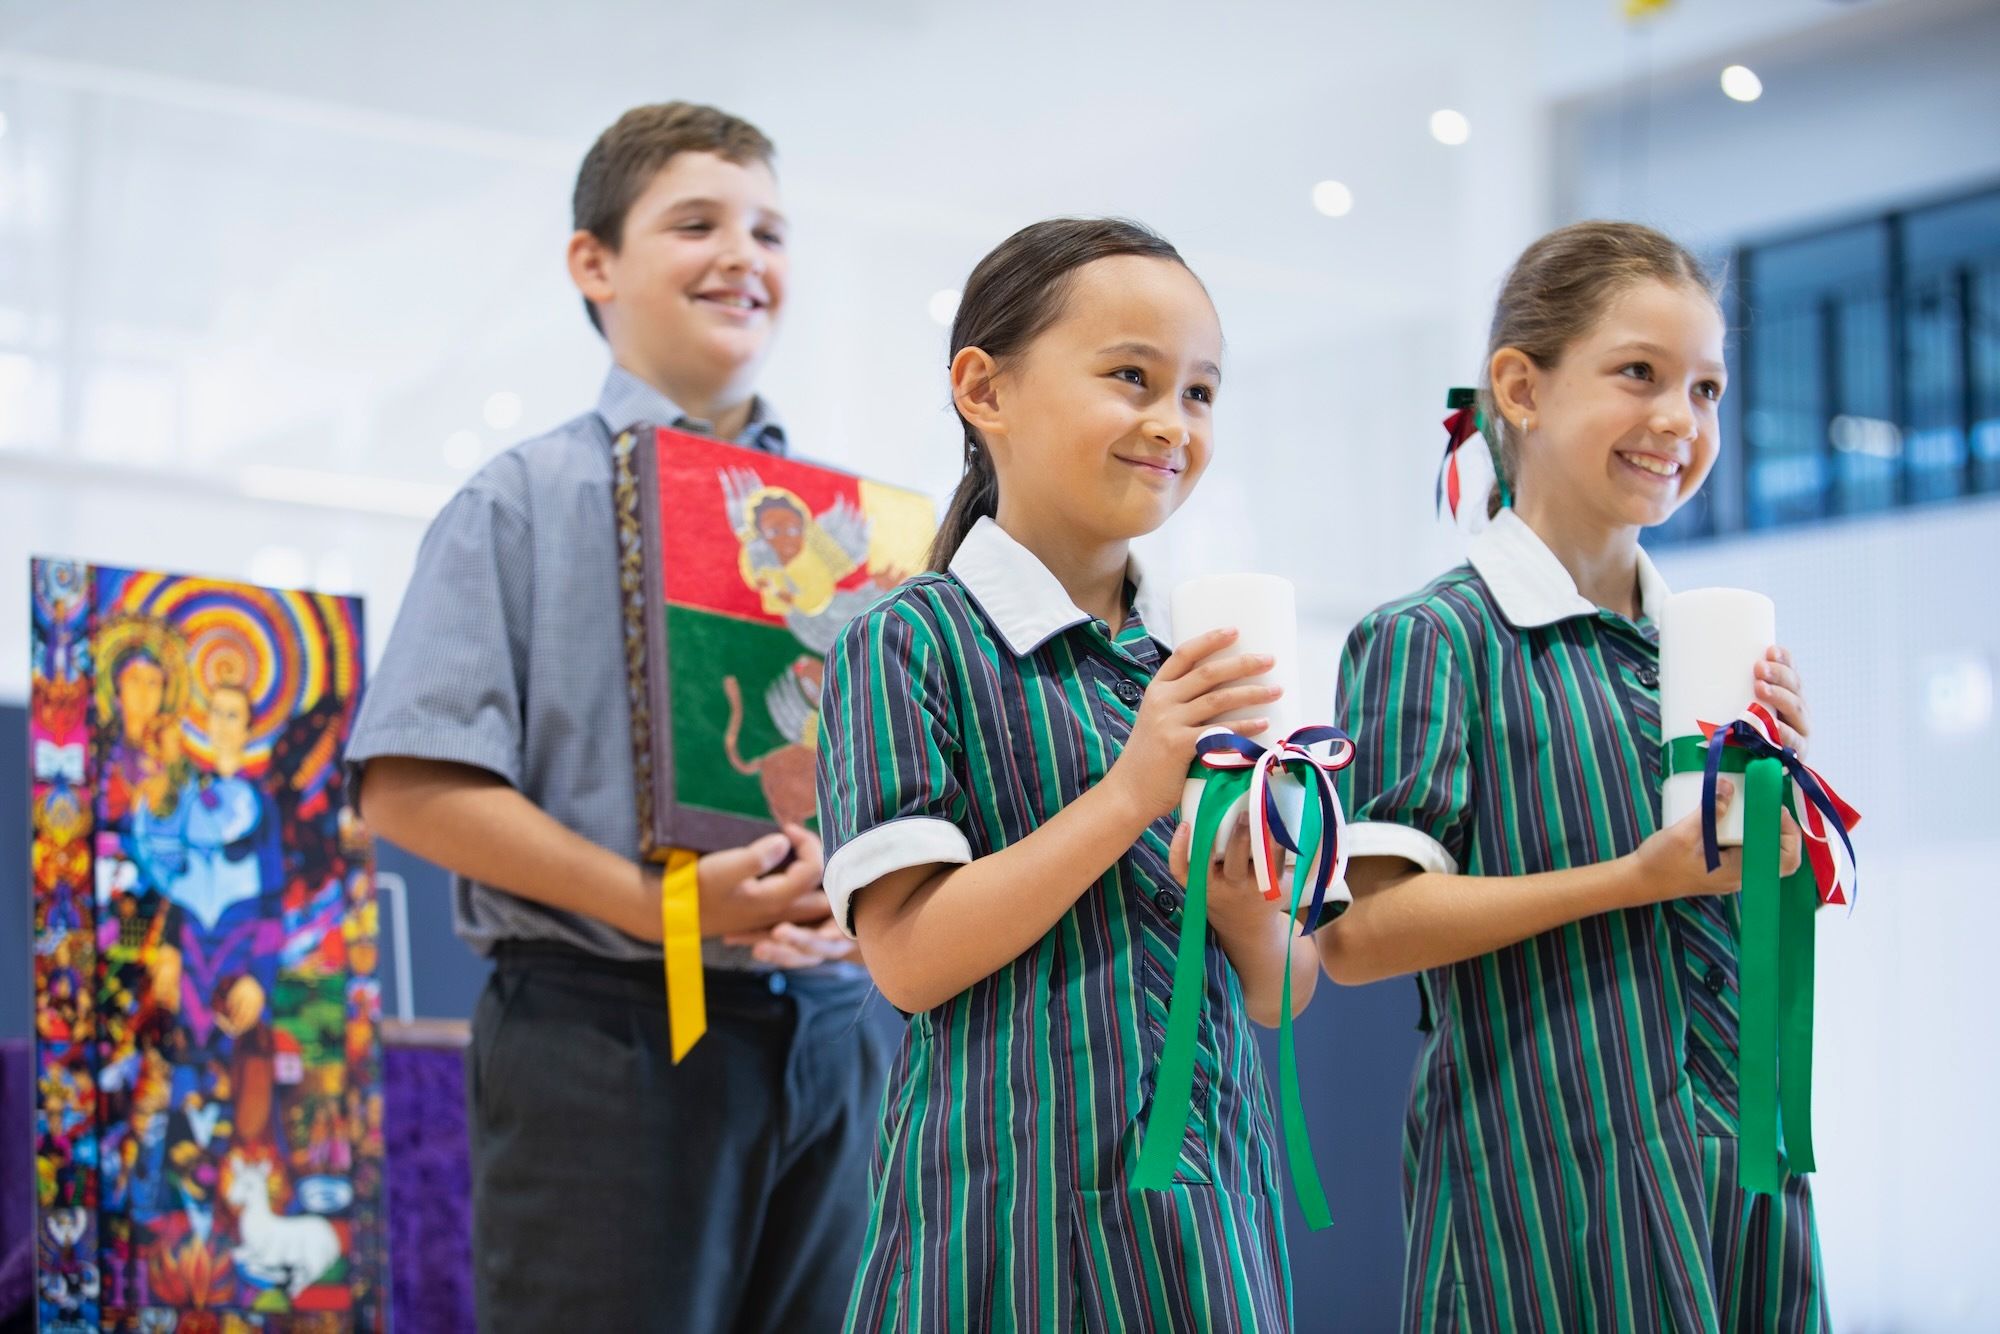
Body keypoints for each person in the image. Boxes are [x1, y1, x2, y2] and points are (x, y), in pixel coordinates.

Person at [348, 101, 891, 1333]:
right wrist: (656, 903)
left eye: (768, 229)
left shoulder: (853, 536)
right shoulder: (519, 501)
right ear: (594, 263)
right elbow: (407, 784)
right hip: (608, 1035)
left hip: (834, 1026)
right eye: (694, 222)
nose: (742, 255)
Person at [1317, 221, 1824, 1332]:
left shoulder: (1699, 652)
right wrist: (1630, 877)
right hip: (1541, 1204)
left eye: (1705, 388)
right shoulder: (1434, 637)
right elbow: (1357, 936)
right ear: (1519, 386)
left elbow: (1724, 913)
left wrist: (1778, 825)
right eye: (1637, 372)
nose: (1676, 420)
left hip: (1739, 1177)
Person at [817, 217, 1319, 1331]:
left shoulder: (1190, 665)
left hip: (1209, 1220)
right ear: (982, 389)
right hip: (1004, 1232)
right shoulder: (910, 641)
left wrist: (1242, 909)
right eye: (1130, 376)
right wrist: (1131, 792)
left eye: (1199, 393)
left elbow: (1284, 985)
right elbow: (905, 958)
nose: (1170, 423)